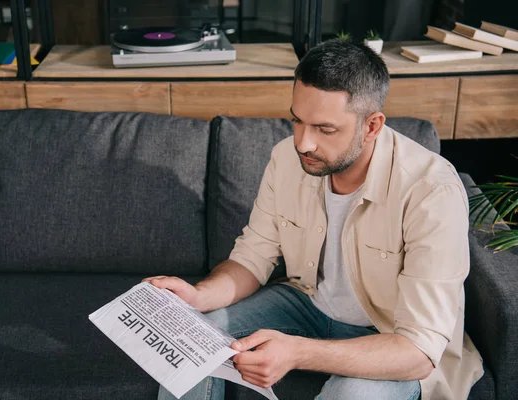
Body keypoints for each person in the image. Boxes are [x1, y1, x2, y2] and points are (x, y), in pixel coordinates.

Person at [144, 39, 483, 400]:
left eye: (325, 129)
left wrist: (297, 352)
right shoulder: (287, 159)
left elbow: (418, 351)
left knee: (352, 395)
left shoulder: (430, 190)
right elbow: (252, 257)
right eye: (297, 120)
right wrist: (199, 296)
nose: (303, 143)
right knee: (188, 346)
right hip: (307, 303)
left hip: (388, 334)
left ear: (372, 126)